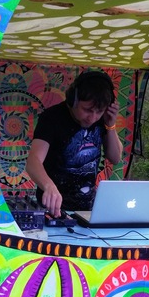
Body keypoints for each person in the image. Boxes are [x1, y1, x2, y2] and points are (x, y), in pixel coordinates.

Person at [25, 70, 123, 217]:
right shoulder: (52, 118)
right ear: (73, 100)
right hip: (53, 209)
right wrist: (48, 186)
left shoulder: (104, 120)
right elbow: (33, 161)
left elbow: (115, 158)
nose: (92, 118)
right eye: (87, 110)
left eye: (99, 111)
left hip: (87, 210)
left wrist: (110, 125)